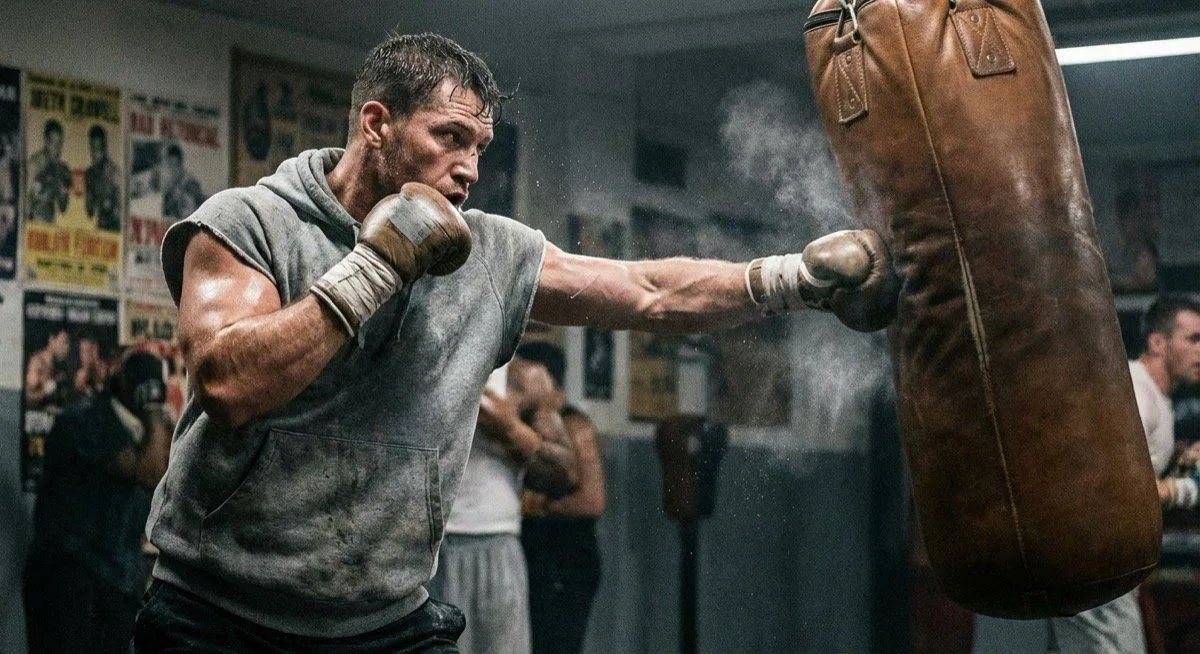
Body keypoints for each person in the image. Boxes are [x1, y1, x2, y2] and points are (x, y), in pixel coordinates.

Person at [135, 33, 895, 651]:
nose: (469, 168)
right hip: (220, 616)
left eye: (481, 146)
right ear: (376, 124)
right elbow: (228, 385)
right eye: (449, 138)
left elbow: (647, 291)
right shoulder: (247, 223)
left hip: (384, 620)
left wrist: (796, 278)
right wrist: (375, 268)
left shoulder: (488, 251)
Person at [1048, 294, 1200, 653]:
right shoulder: (1133, 390)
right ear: (1158, 342)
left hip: (1107, 560)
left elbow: (1132, 465)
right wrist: (1185, 489)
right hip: (1091, 559)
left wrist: (1182, 459)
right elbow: (1109, 488)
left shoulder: (1156, 399)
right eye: (1193, 339)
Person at [24, 349, 173, 653]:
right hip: (69, 584)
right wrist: (155, 409)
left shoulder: (141, 431)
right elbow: (150, 470)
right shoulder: (87, 420)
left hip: (114, 583)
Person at [430, 352, 578, 654]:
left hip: (495, 545)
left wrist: (512, 429)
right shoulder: (422, 361)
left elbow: (565, 473)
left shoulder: (525, 378)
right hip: (424, 550)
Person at [517, 342, 607, 654]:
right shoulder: (524, 424)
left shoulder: (575, 425)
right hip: (535, 558)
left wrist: (538, 507)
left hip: (567, 561)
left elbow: (592, 501)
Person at [27, 119, 70, 223]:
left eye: (59, 143)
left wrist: (62, 188)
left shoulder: (62, 169)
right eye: (53, 143)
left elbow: (63, 208)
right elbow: (26, 201)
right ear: (46, 141)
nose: (57, 148)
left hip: (50, 224)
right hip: (33, 221)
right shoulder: (35, 163)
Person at [84, 124, 121, 232]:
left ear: (104, 148)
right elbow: (89, 211)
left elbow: (121, 208)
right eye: (92, 149)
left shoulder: (114, 172)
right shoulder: (89, 174)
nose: (95, 154)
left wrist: (112, 205)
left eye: (98, 148)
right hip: (100, 228)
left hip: (115, 227)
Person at [24, 329, 71, 410]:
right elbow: (27, 397)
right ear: (52, 340)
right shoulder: (37, 362)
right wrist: (45, 392)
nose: (67, 347)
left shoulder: (58, 365)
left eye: (68, 343)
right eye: (64, 342)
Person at [160, 142, 206, 221]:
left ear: (180, 164)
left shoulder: (191, 184)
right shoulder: (168, 188)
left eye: (175, 165)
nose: (172, 170)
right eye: (170, 165)